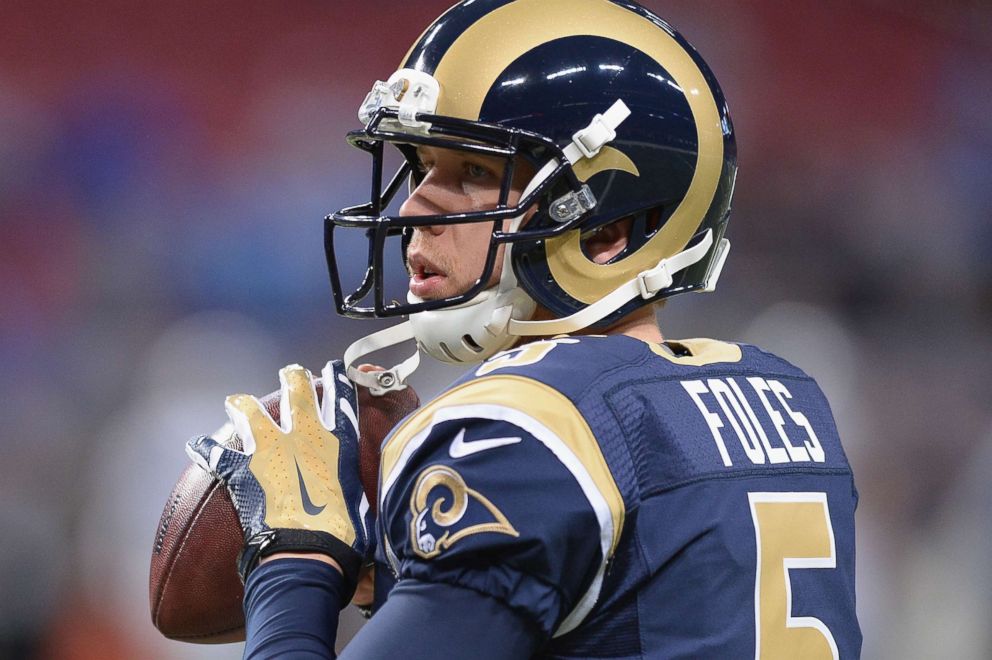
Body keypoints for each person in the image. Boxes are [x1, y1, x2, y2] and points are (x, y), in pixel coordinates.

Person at [187, 0, 863, 657]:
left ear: (608, 230)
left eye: (476, 173)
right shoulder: (786, 401)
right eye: (422, 168)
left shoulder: (518, 436)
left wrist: (294, 562)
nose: (417, 207)